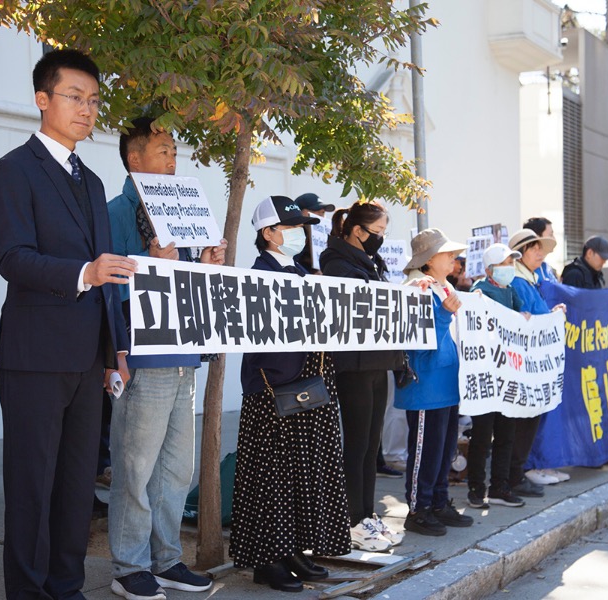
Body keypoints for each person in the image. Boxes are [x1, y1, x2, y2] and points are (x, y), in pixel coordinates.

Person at [0, 49, 135, 600]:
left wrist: (114, 350)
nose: (87, 109)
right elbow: (14, 259)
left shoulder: (92, 182)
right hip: (33, 357)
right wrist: (84, 273)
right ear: (42, 99)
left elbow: (107, 277)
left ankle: (66, 588)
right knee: (31, 488)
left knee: (75, 489)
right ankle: (26, 592)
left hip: (87, 359)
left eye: (94, 100)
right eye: (75, 97)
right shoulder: (10, 171)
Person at [107, 116, 225, 600]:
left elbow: (185, 283)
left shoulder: (180, 210)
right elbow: (110, 286)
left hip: (183, 356)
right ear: (134, 159)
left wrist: (204, 267)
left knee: (176, 470)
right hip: (143, 357)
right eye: (162, 151)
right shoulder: (116, 211)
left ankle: (166, 559)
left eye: (175, 151)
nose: (173, 160)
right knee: (135, 468)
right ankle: (128, 565)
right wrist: (156, 261)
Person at [230, 195, 350, 593]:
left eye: (301, 228)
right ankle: (268, 559)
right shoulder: (260, 274)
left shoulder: (300, 271)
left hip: (308, 384)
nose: (300, 234)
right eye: (292, 227)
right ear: (268, 233)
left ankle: (293, 548)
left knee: (301, 473)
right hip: (274, 388)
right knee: (272, 476)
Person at [319, 201, 406, 551]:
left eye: (384, 234)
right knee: (356, 446)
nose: (380, 240)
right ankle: (351, 521)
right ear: (358, 230)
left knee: (372, 447)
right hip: (352, 365)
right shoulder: (337, 262)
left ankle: (366, 515)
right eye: (377, 233)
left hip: (376, 361)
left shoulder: (369, 262)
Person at [394, 228, 475, 536]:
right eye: (448, 254)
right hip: (425, 383)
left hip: (446, 383)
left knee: (442, 450)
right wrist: (443, 314)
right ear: (429, 260)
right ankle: (418, 509)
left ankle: (438, 502)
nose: (454, 259)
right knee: (425, 452)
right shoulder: (415, 288)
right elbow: (418, 341)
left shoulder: (443, 287)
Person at [466, 243, 528, 510]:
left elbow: (519, 319)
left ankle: (500, 486)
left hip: (508, 373)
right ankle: (476, 488)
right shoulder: (480, 291)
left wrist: (524, 318)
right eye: (505, 263)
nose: (510, 268)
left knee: (506, 432)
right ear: (491, 269)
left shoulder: (511, 291)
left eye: (512, 262)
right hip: (486, 374)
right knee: (482, 434)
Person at [507, 229, 567, 494]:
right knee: (522, 423)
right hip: (523, 368)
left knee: (528, 421)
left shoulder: (529, 281)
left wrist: (551, 314)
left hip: (533, 367)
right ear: (520, 255)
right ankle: (514, 476)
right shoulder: (518, 282)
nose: (541, 254)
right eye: (534, 249)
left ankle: (516, 475)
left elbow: (537, 316)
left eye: (541, 249)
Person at [293, 192, 335, 274]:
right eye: (316, 211)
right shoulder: (292, 237)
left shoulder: (327, 235)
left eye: (323, 212)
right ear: (303, 213)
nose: (321, 216)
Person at [523, 217, 558, 283]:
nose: (554, 239)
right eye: (550, 235)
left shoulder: (546, 267)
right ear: (536, 237)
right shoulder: (527, 271)